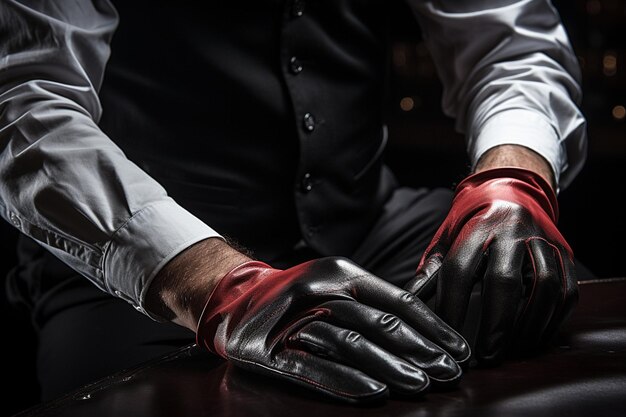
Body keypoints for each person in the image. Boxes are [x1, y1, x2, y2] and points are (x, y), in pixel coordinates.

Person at [0, 0, 586, 405]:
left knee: (550, 326)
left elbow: (509, 45)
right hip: (144, 268)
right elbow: (23, 102)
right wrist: (219, 285)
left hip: (368, 222)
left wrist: (514, 178)